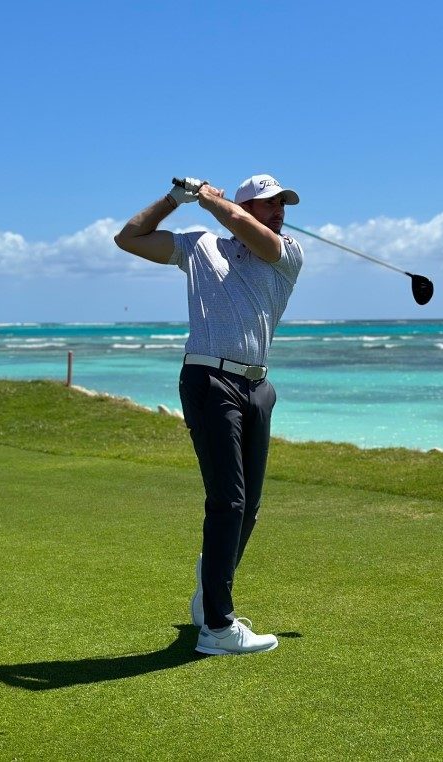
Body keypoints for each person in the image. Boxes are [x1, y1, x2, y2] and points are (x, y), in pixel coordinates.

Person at [114, 173, 303, 655]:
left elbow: (245, 227)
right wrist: (175, 199)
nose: (279, 210)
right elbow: (128, 238)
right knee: (228, 503)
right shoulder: (200, 245)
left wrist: (212, 201)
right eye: (269, 203)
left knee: (249, 508)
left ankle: (209, 592)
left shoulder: (287, 252)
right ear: (246, 203)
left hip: (258, 386)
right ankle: (218, 628)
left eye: (283, 203)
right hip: (208, 379)